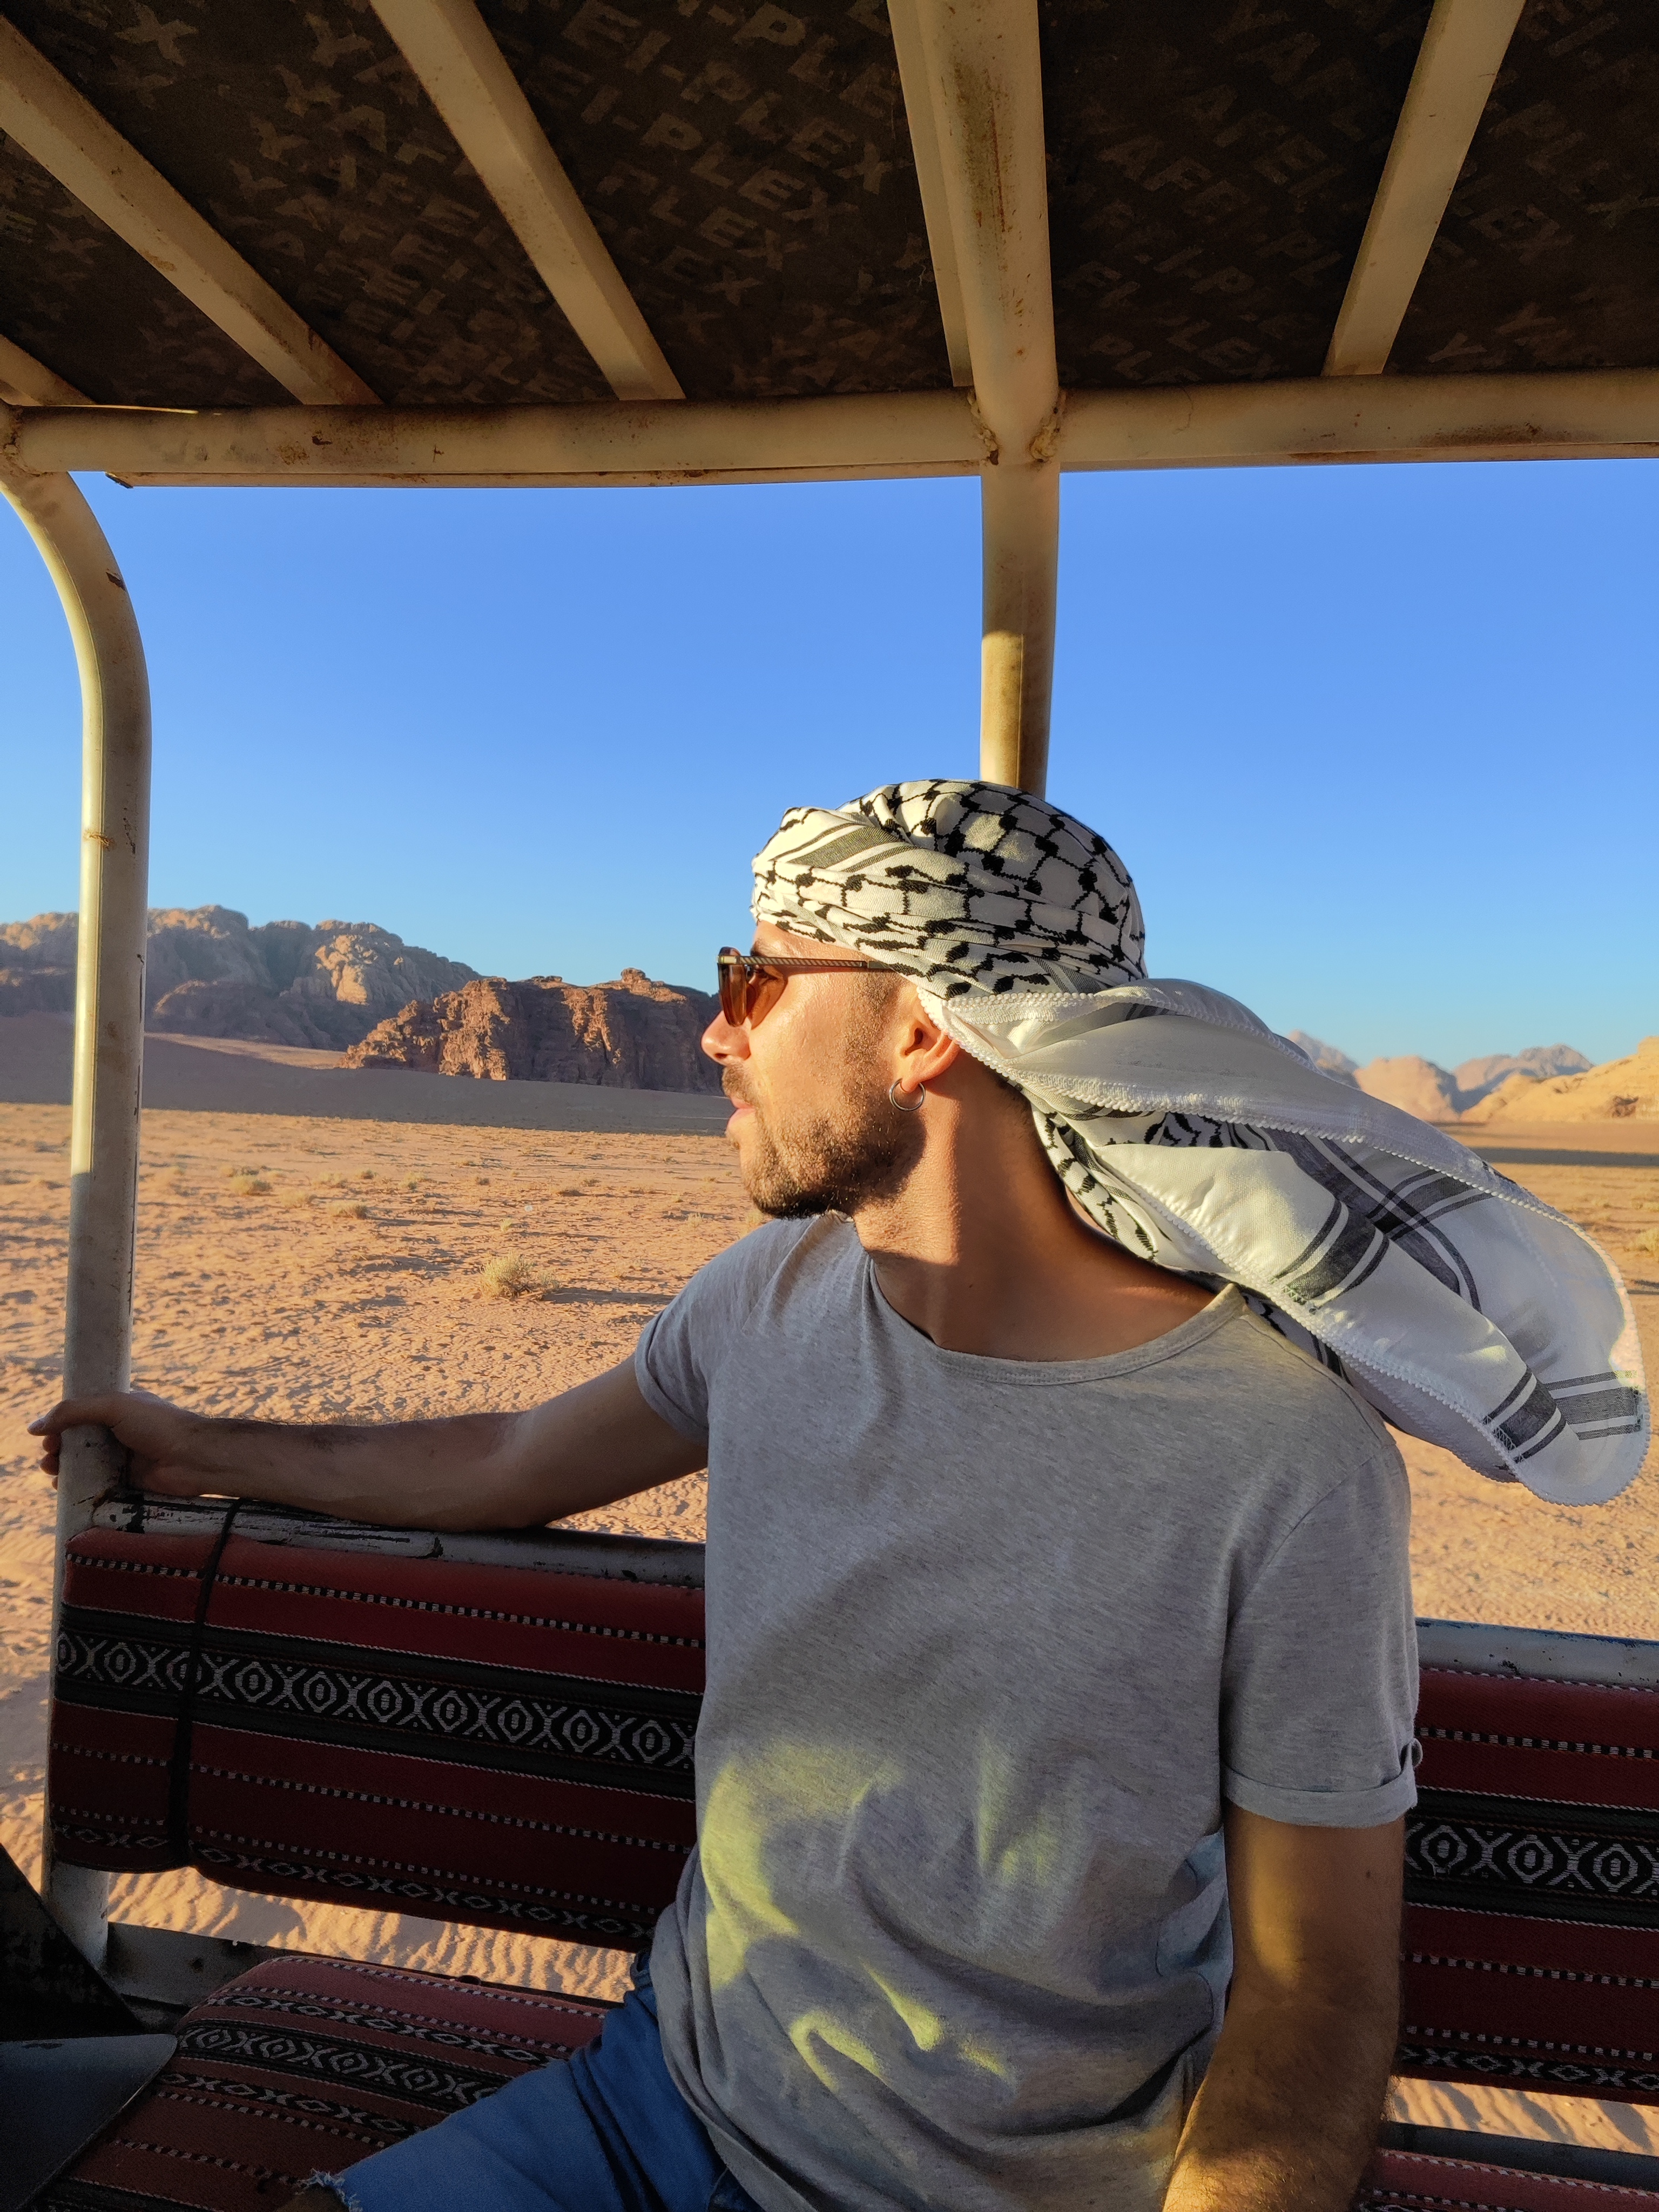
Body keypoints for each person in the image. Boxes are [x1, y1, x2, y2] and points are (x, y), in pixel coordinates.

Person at [51, 774, 1623, 2212]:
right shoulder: (767, 1301)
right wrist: (205, 1445)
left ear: (925, 1028)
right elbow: (514, 1460)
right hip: (649, 2111)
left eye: (753, 981)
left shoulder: (1282, 1460)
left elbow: (1315, 1990)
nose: (716, 1033)